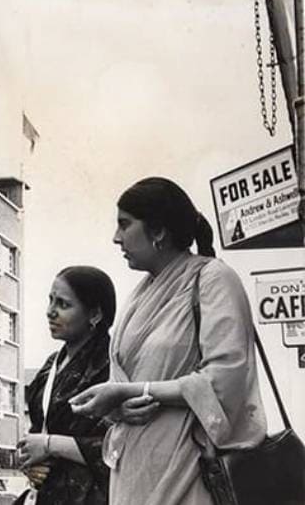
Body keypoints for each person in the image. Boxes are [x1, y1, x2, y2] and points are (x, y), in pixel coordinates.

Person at [69, 177, 267, 505]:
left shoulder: (214, 278)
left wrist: (133, 391)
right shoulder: (140, 293)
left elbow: (225, 381)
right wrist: (117, 406)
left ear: (158, 231)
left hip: (190, 468)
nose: (116, 238)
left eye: (125, 224)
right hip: (135, 468)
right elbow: (123, 380)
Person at [16, 266, 118, 505]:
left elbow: (121, 445)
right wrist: (31, 462)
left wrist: (51, 446)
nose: (50, 312)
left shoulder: (113, 365)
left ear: (94, 315)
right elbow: (37, 433)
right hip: (47, 493)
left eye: (63, 304)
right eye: (50, 301)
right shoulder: (51, 365)